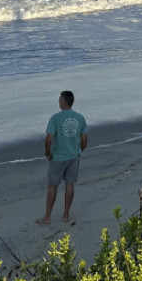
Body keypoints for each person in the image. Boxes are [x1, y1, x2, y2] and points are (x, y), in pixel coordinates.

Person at [37, 90, 88, 224]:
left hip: (58, 157)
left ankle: (47, 217)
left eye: (59, 99)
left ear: (63, 102)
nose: (58, 101)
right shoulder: (80, 117)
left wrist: (48, 153)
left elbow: (48, 139)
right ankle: (66, 214)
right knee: (69, 184)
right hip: (73, 155)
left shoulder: (55, 118)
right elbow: (84, 138)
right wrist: (79, 150)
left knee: (53, 186)